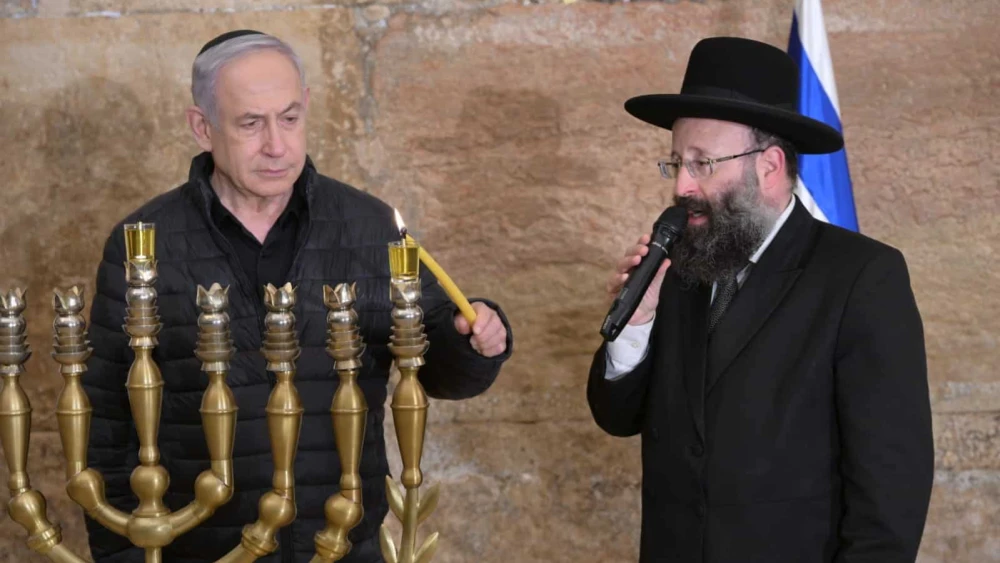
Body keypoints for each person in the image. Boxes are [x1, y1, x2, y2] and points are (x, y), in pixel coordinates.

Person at [82, 30, 512, 563]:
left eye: (289, 118)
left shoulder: (369, 225)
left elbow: (438, 370)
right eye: (250, 124)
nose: (276, 145)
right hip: (202, 549)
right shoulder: (145, 242)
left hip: (341, 545)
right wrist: (126, 554)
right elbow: (105, 423)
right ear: (202, 127)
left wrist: (474, 341)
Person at [587, 36, 934, 562]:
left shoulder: (861, 277)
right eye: (676, 163)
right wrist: (635, 323)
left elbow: (890, 493)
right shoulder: (676, 265)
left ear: (769, 165)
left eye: (703, 163)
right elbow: (617, 417)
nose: (682, 186)